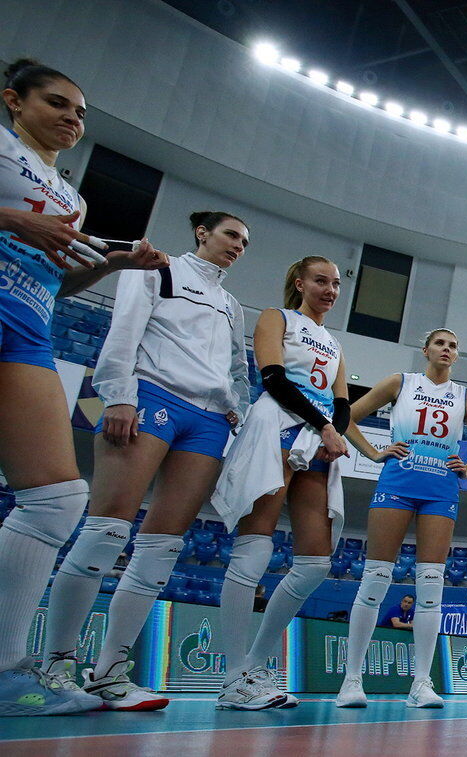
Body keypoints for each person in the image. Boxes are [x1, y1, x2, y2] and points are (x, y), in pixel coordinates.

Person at [0, 59, 168, 716]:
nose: (72, 118)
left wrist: (111, 264)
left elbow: (57, 279)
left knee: (56, 499)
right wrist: (12, 221)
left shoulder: (73, 199)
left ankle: (6, 673)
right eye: (57, 103)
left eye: (80, 112)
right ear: (13, 100)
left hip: (28, 328)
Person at [42, 211, 250, 712]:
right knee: (106, 531)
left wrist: (235, 410)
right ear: (202, 232)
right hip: (152, 395)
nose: (238, 246)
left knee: (162, 547)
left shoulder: (230, 304)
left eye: (244, 242)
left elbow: (238, 368)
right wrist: (117, 394)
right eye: (231, 235)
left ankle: (110, 674)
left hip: (208, 420)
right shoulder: (157, 269)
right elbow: (125, 329)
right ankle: (56, 666)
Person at [210, 256, 358, 710]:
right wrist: (325, 426)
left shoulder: (334, 344)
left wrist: (332, 431)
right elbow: (273, 378)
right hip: (277, 425)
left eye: (336, 283)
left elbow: (343, 404)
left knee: (315, 563)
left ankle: (255, 665)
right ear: (299, 282)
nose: (330, 290)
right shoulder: (277, 318)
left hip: (317, 440)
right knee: (255, 546)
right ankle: (232, 675)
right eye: (321, 280)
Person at [335, 329, 467, 709]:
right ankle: (351, 680)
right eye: (440, 343)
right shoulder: (400, 382)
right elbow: (346, 417)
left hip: (441, 489)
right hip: (398, 482)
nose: (447, 349)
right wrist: (373, 452)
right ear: (425, 350)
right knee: (375, 577)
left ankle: (422, 682)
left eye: (453, 345)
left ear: (457, 355)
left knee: (432, 585)